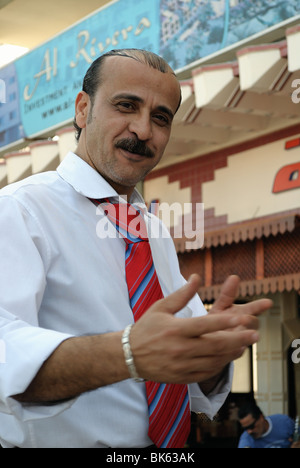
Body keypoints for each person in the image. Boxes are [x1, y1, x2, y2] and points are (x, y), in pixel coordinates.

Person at [0, 49, 272, 448]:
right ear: (82, 109)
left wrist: (213, 351)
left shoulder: (151, 231)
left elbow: (183, 369)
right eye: (126, 106)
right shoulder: (19, 209)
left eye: (161, 117)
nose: (143, 130)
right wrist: (128, 353)